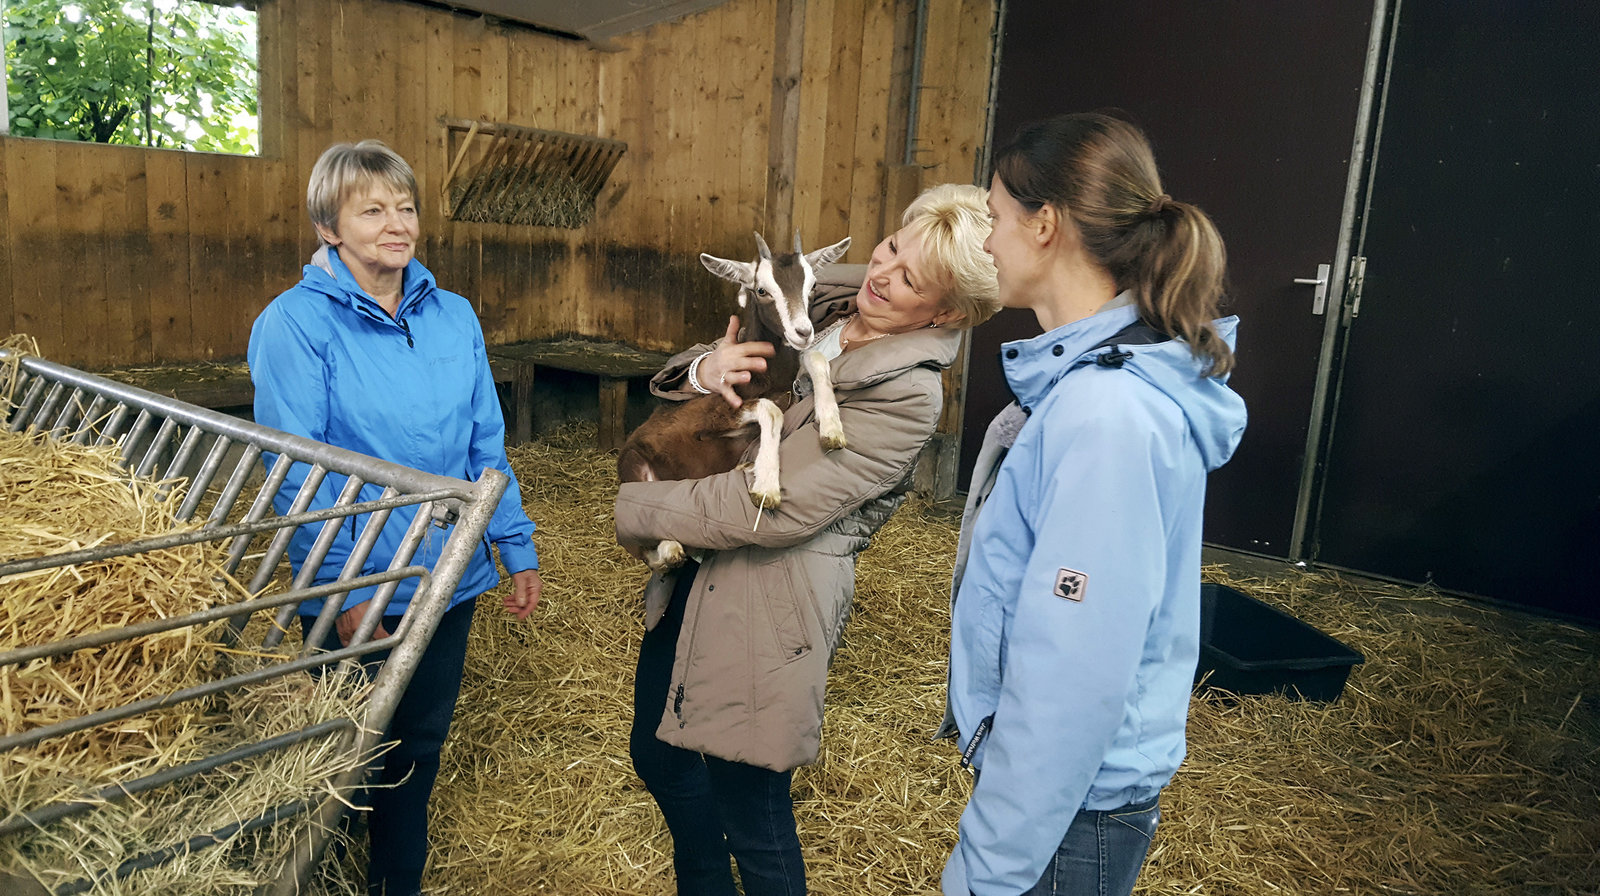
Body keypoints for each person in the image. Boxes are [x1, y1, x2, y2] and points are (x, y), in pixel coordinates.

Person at [614, 183, 1001, 896]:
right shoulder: (823, 298)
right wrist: (704, 369)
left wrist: (640, 506)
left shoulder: (907, 395)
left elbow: (773, 509)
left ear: (945, 312)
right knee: (658, 755)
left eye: (911, 279)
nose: (882, 273)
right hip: (697, 567)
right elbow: (723, 366)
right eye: (890, 248)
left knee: (751, 808)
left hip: (768, 599)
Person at [940, 113, 1248, 896]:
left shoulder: (1106, 413)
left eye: (994, 217)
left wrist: (986, 871)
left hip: (1070, 815)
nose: (986, 242)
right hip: (1064, 800)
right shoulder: (1091, 388)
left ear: (1045, 225)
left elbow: (1071, 675)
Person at [248, 139, 542, 896]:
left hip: (449, 570)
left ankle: (393, 881)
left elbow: (485, 443)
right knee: (348, 743)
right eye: (371, 210)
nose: (396, 224)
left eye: (405, 208)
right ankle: (314, 869)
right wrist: (344, 588)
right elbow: (300, 470)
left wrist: (513, 542)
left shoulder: (453, 315)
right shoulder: (294, 325)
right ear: (328, 227)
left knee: (418, 743)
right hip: (360, 577)